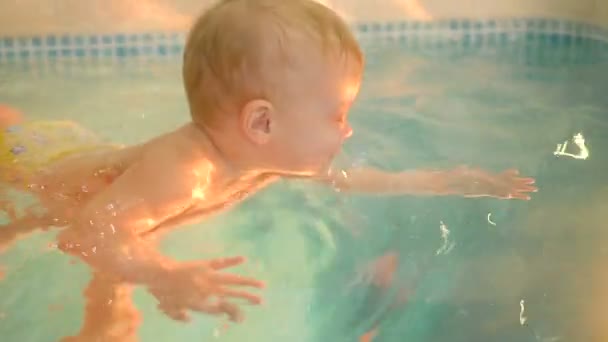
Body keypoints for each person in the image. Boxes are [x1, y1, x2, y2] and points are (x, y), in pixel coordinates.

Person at [0, 0, 537, 338]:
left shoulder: (262, 160)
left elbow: (350, 179)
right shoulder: (184, 171)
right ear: (263, 123)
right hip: (37, 170)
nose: (348, 130)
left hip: (98, 178)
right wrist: (163, 273)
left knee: (133, 239)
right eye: (338, 114)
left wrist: (444, 182)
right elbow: (87, 233)